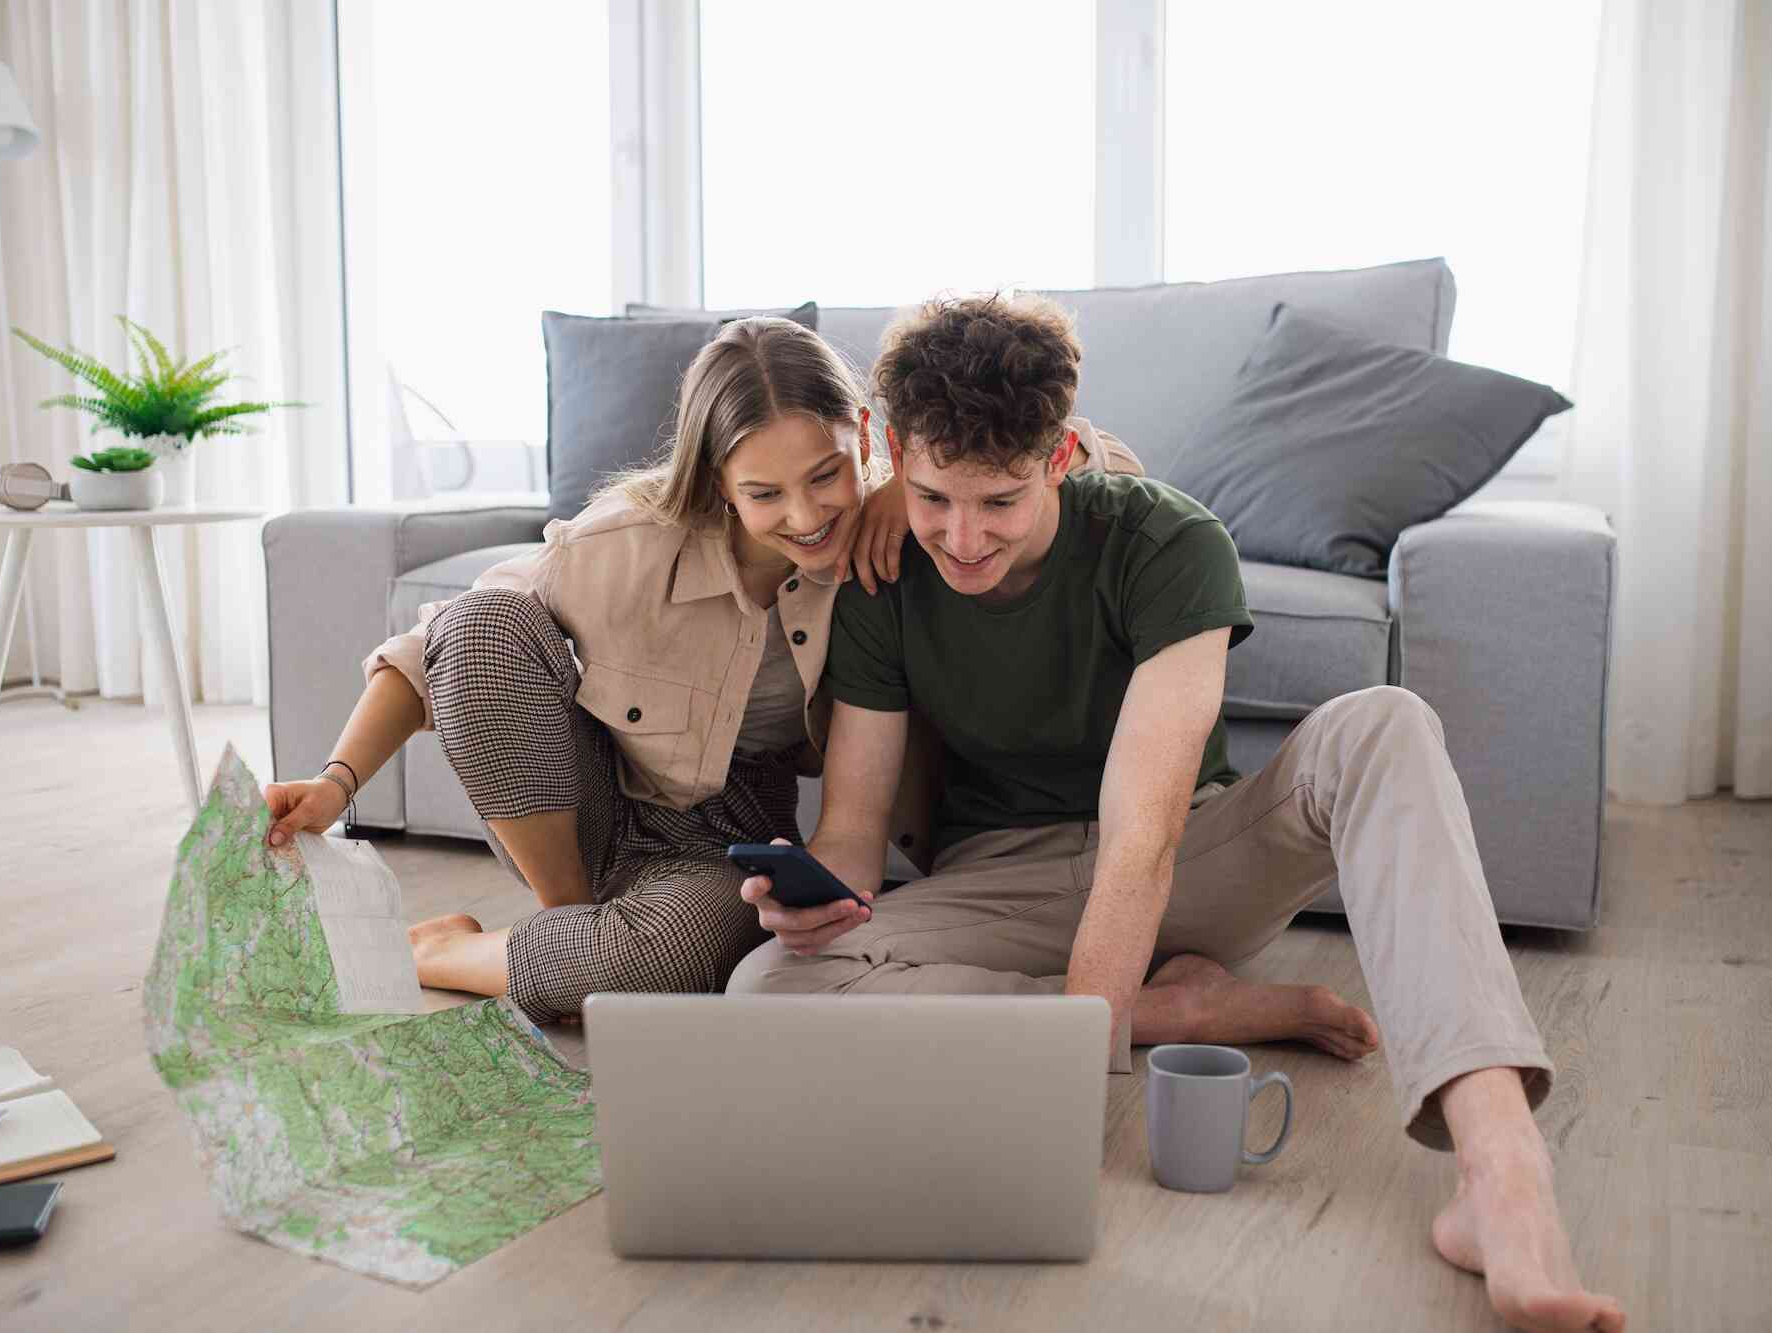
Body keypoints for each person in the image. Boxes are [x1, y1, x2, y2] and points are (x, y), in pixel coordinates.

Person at [726, 294, 1626, 1333]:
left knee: (1383, 724)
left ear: (1061, 455)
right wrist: (817, 896)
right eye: (932, 497)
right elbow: (851, 828)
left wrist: (1073, 1088)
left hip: (1187, 862)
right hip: (999, 880)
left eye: (999, 502)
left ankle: (1500, 1173)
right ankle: (1184, 1013)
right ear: (891, 452)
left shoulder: (1168, 543)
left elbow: (1142, 837)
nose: (961, 538)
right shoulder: (887, 572)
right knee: (767, 982)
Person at [258, 314, 1133, 1027]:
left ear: (865, 435)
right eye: (764, 494)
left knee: (679, 963)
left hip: (730, 836)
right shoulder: (623, 542)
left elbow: (1108, 471)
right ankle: (565, 927)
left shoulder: (902, 524)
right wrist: (337, 784)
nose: (805, 514)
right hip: (592, 800)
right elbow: (436, 651)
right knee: (482, 622)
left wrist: (913, 483)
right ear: (719, 481)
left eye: (827, 474)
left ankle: (450, 951)